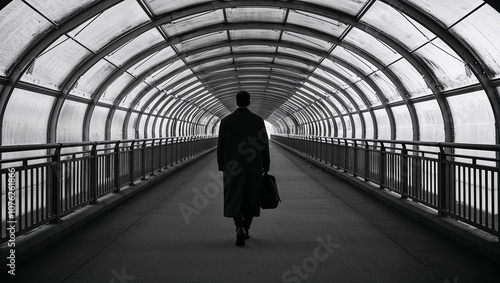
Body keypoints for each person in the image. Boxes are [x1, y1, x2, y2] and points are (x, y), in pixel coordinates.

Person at [217, 90, 270, 247]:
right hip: (253, 166)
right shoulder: (258, 120)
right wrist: (265, 164)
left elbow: (221, 145)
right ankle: (246, 227)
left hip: (232, 166)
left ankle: (238, 226)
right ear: (249, 102)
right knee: (251, 196)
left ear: (236, 101)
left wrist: (221, 164)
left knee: (234, 196)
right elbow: (264, 144)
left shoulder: (226, 121)